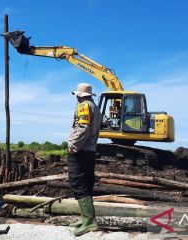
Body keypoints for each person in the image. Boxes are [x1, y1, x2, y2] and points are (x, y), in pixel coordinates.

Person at [67, 83, 102, 236]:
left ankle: (89, 222)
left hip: (81, 150)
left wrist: (73, 145)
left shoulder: (83, 106)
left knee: (77, 182)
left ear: (79, 95)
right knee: (86, 183)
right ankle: (87, 218)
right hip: (90, 150)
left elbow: (82, 127)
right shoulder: (95, 107)